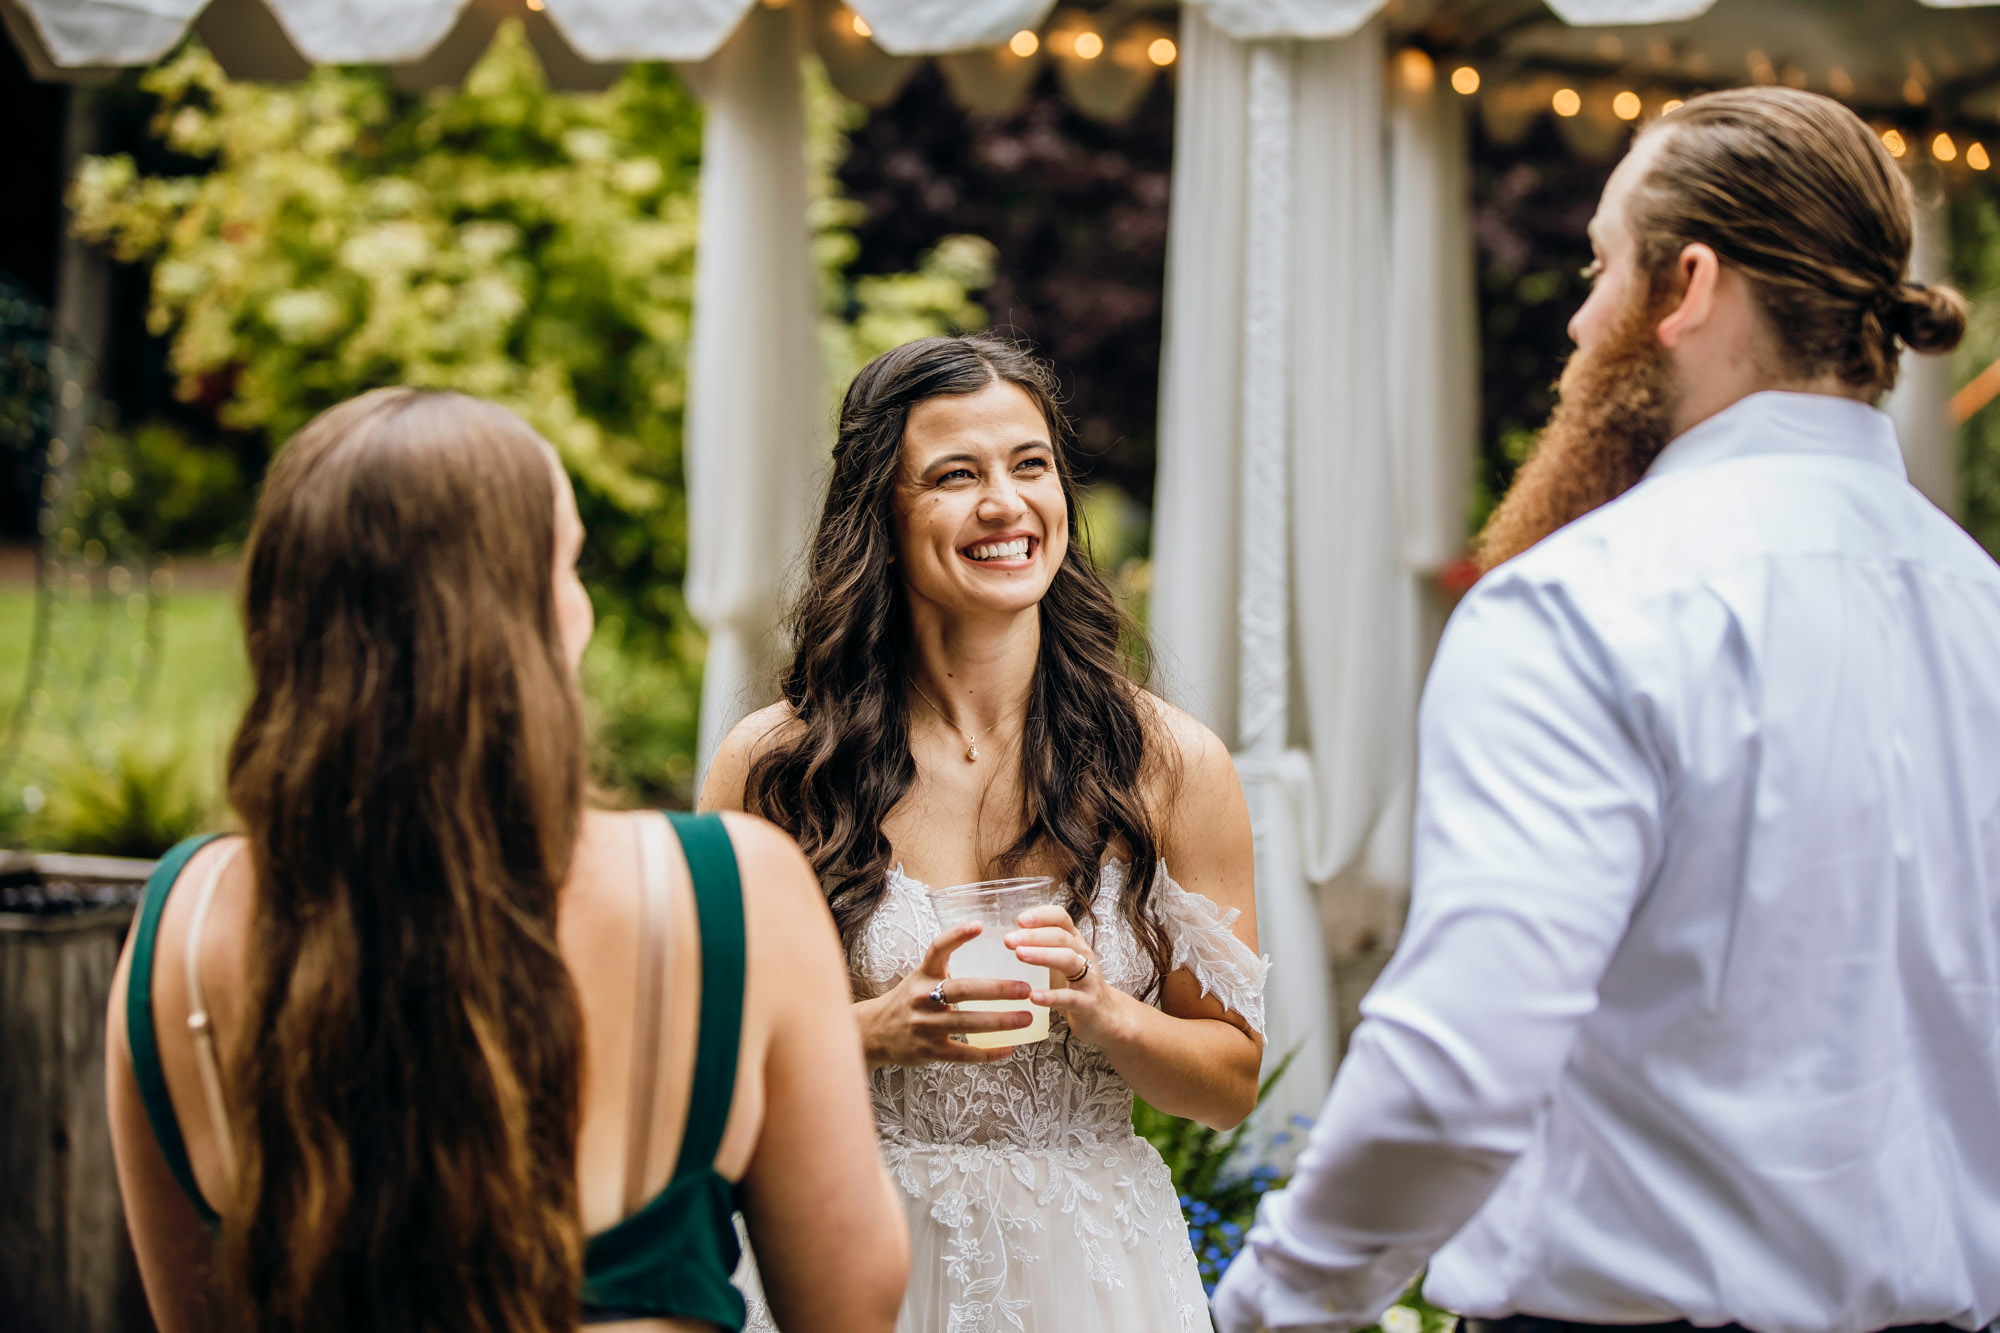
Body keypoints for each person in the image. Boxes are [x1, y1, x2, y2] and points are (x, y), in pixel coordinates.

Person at [1214, 86, 2000, 1333]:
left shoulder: (1580, 606)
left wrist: (1263, 1312)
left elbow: (1454, 1079)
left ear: (1682, 286)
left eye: (1599, 266)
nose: (1579, 321)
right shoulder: (1981, 608)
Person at [104, 388, 907, 1333]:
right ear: (533, 620)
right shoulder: (731, 891)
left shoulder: (180, 926)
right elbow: (850, 1304)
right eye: (569, 565)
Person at [702, 333, 1269, 1333]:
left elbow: (1228, 1084)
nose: (1005, 505)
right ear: (879, 507)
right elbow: (703, 1065)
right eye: (955, 475)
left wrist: (1105, 1012)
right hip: (848, 1255)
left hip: (1095, 1275)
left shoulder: (1173, 763)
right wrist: (873, 1034)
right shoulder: (775, 767)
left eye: (1030, 465)